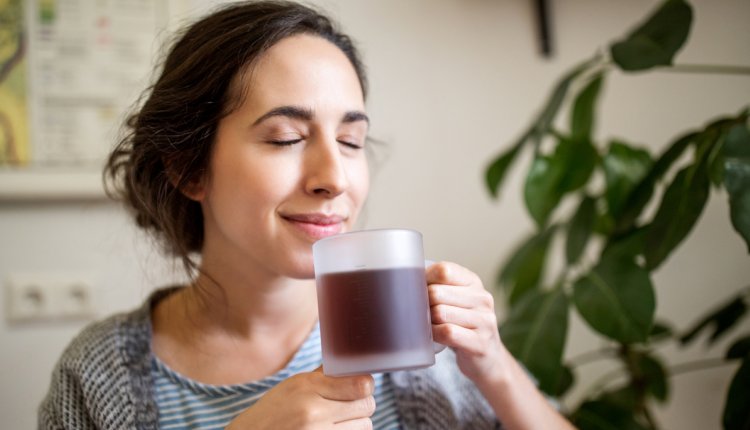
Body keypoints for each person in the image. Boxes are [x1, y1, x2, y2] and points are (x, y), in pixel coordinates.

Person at [38, 1, 575, 429]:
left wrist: (494, 367)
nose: (334, 178)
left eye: (350, 140)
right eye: (286, 137)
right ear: (188, 169)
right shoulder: (99, 376)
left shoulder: (415, 330)